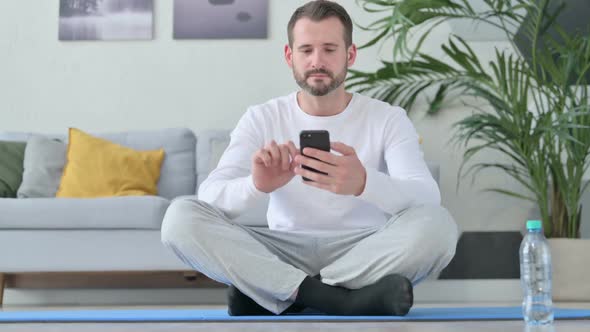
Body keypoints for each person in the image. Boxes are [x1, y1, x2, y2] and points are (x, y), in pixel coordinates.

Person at [161, 0, 458, 316]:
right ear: (290, 57)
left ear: (350, 55)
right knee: (179, 218)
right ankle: (340, 299)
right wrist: (256, 186)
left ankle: (283, 293)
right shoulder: (261, 118)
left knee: (440, 226)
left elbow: (427, 198)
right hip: (282, 250)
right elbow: (209, 198)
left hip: (363, 251)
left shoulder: (388, 118)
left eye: (330, 49)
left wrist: (365, 183)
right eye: (306, 50)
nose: (317, 61)